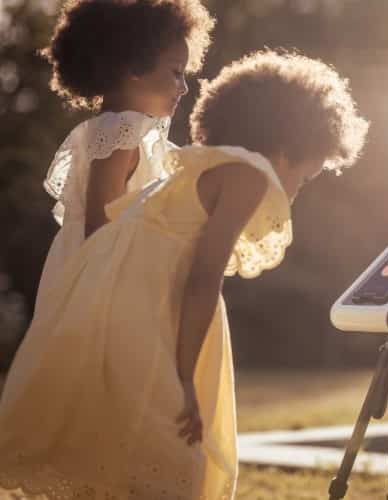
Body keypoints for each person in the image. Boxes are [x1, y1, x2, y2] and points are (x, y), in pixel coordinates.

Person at [0, 49, 368, 499]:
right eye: (307, 177)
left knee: (124, 454)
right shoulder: (249, 175)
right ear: (289, 146)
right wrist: (185, 379)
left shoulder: (199, 164)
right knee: (171, 455)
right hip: (147, 318)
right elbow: (203, 279)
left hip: (110, 307)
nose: (296, 192)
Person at [36, 0, 214, 310]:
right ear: (135, 66)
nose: (184, 88)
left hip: (93, 266)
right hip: (101, 276)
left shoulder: (115, 130)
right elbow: (99, 228)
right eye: (176, 73)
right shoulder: (122, 131)